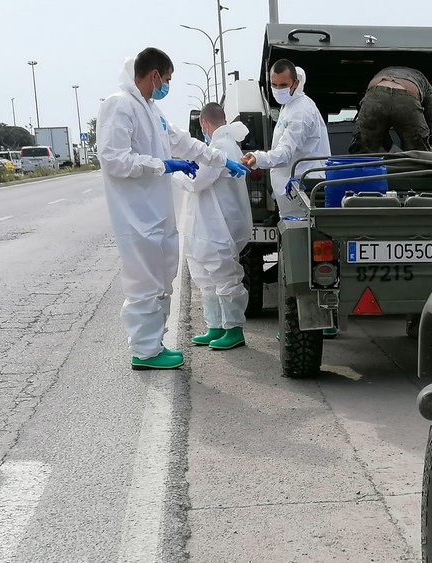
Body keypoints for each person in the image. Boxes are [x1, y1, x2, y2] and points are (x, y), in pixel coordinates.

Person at [98, 47, 251, 371]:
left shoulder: (151, 110)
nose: (167, 85)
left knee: (160, 281)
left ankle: (153, 346)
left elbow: (185, 143)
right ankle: (145, 351)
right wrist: (162, 165)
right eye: (167, 79)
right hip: (135, 214)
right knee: (144, 284)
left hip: (155, 212)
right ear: (154, 75)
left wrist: (223, 160)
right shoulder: (120, 105)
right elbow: (113, 160)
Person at [180, 103, 251, 351]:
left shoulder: (221, 147)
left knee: (223, 274)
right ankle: (216, 326)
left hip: (218, 224)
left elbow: (196, 179)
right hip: (213, 222)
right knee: (207, 276)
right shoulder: (224, 144)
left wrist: (177, 169)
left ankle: (233, 329)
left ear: (204, 124)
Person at [240, 59, 331, 219]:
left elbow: (285, 153)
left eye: (283, 85)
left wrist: (257, 157)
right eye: (274, 85)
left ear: (295, 83)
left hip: (301, 194)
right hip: (293, 195)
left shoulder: (300, 113)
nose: (277, 90)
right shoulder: (290, 104)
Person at [351, 66, 432, 154]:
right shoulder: (424, 82)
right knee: (417, 152)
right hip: (407, 95)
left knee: (364, 147)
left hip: (375, 92)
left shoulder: (384, 70)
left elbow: (365, 111)